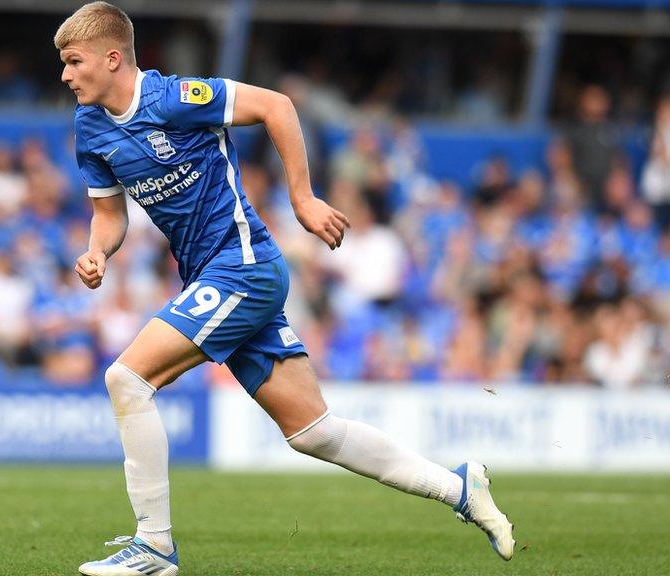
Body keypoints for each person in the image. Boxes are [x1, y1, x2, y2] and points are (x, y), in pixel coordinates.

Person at [54, 4, 515, 575]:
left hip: (243, 265)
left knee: (126, 379)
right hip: (212, 277)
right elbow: (109, 214)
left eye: (74, 62)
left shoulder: (174, 98)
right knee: (313, 433)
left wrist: (302, 198)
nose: (67, 75)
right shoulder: (90, 127)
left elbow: (277, 106)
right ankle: (461, 489)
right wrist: (100, 249)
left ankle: (154, 547)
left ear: (112, 57)